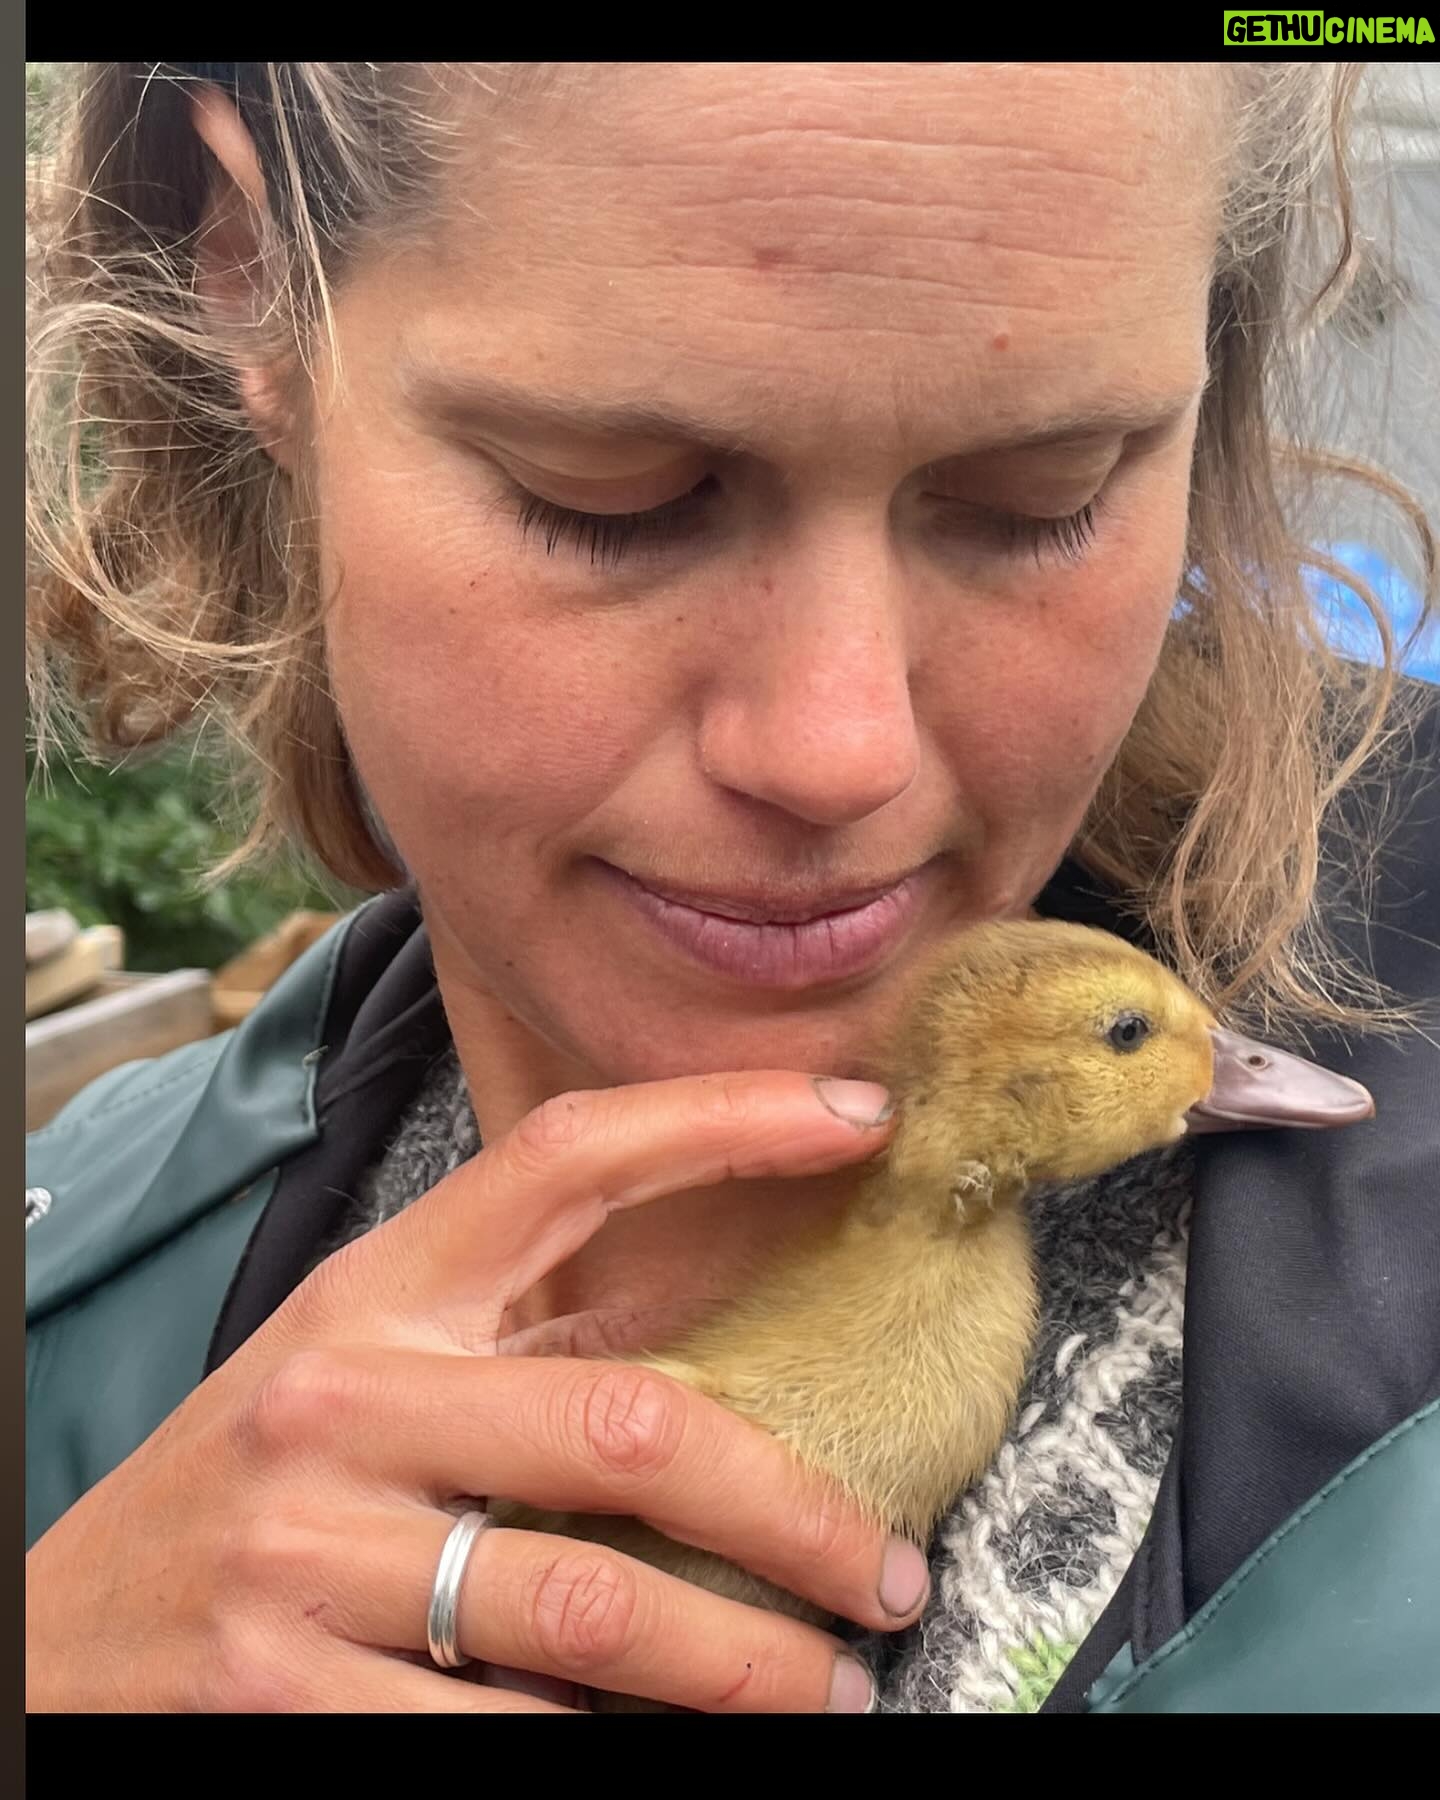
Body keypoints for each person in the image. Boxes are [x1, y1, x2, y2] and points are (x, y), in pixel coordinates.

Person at [24, 61, 1439, 1715]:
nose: (838, 750)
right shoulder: (60, 1301)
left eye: (1039, 499)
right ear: (251, 279)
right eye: (608, 497)